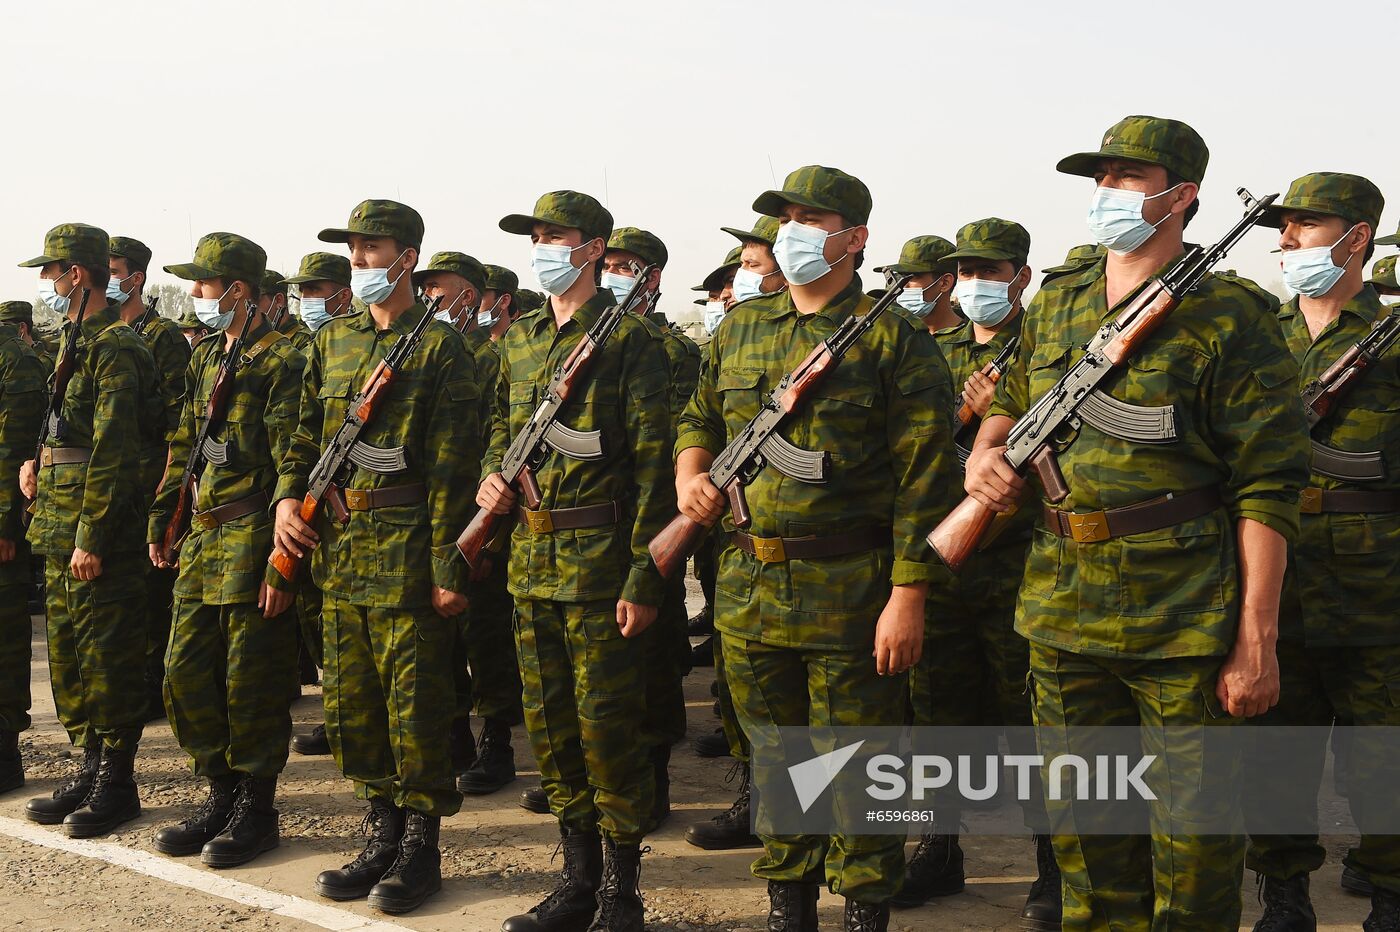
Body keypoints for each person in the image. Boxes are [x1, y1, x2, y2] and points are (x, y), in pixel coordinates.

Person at [966, 115, 1311, 929]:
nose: (1105, 195)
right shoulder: (1059, 301)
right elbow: (1012, 399)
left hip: (1184, 619)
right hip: (1061, 610)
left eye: (1126, 180)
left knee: (1193, 857)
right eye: (1101, 181)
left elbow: (1268, 485)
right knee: (1091, 842)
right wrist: (986, 450)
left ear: (1182, 196)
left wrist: (1255, 639)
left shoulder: (1231, 316)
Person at [675, 165, 957, 932]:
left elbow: (928, 481)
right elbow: (699, 415)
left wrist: (907, 597)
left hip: (853, 591)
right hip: (750, 586)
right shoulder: (740, 327)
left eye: (811, 219)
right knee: (779, 763)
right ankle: (788, 908)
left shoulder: (893, 339)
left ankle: (867, 910)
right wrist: (690, 473)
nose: (792, 232)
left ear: (855, 237)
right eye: (785, 218)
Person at [273, 199, 481, 914]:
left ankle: (420, 846)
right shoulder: (334, 342)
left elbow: (456, 472)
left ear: (408, 258)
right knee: (355, 708)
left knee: (416, 711)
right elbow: (302, 435)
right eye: (353, 250)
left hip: (408, 560)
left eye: (372, 248)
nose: (359, 261)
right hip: (339, 557)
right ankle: (380, 832)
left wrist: (449, 571)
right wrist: (282, 503)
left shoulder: (442, 348)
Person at [482, 190, 673, 932]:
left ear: (594, 248)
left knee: (609, 731)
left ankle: (622, 891)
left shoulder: (633, 343)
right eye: (535, 237)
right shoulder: (523, 339)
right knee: (554, 731)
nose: (542, 249)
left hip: (603, 570)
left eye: (555, 236)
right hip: (531, 563)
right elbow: (499, 435)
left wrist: (645, 577)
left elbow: (658, 474)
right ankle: (576, 881)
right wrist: (491, 479)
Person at [1242, 172, 1400, 931]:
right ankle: (1284, 892)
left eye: (1303, 226)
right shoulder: (1256, 339)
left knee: (1384, 758)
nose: (1286, 240)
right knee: (1275, 753)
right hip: (1272, 583)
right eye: (1286, 226)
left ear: (1356, 237)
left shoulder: (1393, 342)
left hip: (1379, 591)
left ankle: (1393, 892)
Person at [893, 219, 1057, 926]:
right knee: (940, 713)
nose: (974, 285)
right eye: (964, 272)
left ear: (1020, 275)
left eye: (989, 272)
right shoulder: (931, 349)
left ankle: (1052, 864)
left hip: (1019, 562)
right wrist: (965, 409)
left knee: (1032, 723)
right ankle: (939, 846)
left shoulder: (1050, 348)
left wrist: (1009, 413)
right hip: (945, 558)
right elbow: (913, 446)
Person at [147, 232, 304, 867]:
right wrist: (166, 517)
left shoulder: (284, 361)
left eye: (205, 285)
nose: (195, 295)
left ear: (237, 290)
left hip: (251, 538)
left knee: (252, 682)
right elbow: (183, 444)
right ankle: (219, 791)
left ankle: (256, 808)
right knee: (184, 674)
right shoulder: (209, 356)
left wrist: (280, 559)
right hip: (204, 535)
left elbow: (293, 461)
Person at [17, 223, 161, 838]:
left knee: (109, 655)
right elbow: (63, 432)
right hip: (55, 520)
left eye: (51, 272)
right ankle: (89, 762)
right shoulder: (73, 343)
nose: (47, 284)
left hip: (93, 529)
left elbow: (114, 451)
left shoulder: (117, 348)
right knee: (72, 657)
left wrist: (92, 537)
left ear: (77, 275)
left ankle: (116, 779)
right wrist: (35, 460)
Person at [414, 250, 522, 796]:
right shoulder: (424, 354)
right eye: (426, 289)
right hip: (440, 515)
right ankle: (456, 730)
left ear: (475, 296)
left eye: (443, 289)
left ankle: (496, 739)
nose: (432, 299)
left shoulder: (497, 356)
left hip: (489, 514)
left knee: (488, 635)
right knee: (444, 638)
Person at [600, 225, 696, 829]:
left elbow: (677, 445)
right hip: (587, 527)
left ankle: (653, 771)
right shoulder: (592, 341)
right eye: (605, 261)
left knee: (653, 651)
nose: (610, 273)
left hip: (653, 513)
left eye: (623, 265)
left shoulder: (670, 349)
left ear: (651, 277)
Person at [109, 236, 191, 722]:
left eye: (114, 269)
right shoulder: (98, 333)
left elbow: (176, 421)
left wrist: (166, 483)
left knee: (148, 589)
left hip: (148, 480)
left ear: (135, 277)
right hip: (113, 484)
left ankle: (151, 682)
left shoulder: (160, 336)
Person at [281, 251, 355, 759]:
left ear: (342, 294)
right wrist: (288, 494)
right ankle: (337, 711)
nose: (308, 301)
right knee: (319, 622)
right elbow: (303, 432)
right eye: (302, 292)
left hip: (363, 514)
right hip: (309, 511)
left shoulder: (356, 346)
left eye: (316, 291)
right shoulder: (320, 347)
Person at [0, 298, 47, 794]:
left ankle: (4, 751)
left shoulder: (11, 356)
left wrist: (4, 522)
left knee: (4, 639)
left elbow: (13, 448)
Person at [878, 234, 958, 334]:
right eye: (901, 276)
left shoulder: (975, 340)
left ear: (945, 283)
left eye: (912, 277)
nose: (903, 285)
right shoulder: (893, 337)